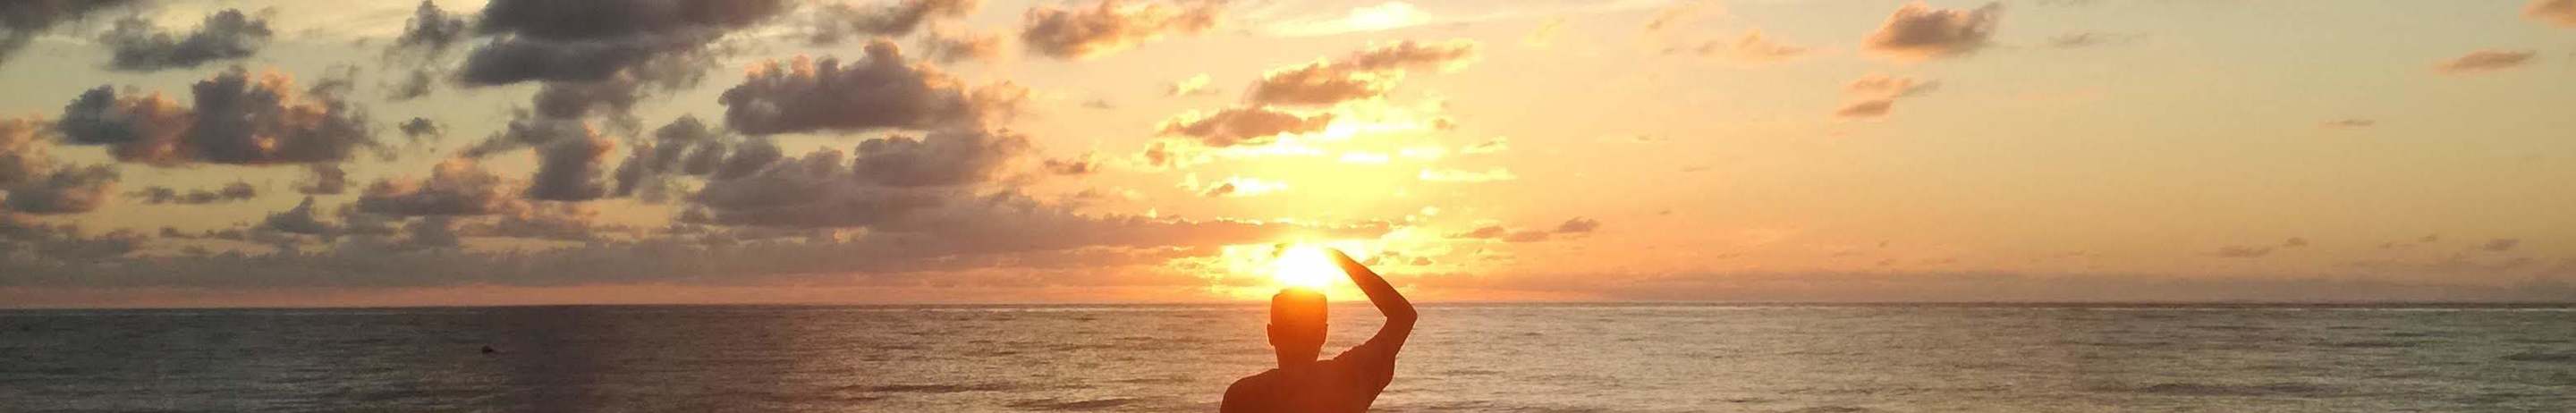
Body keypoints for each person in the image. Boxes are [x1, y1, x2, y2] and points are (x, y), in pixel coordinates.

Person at [1221, 249, 1416, 412]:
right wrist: (1338, 258)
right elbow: (1403, 316)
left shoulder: (1242, 396)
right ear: (1323, 334)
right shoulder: (1349, 378)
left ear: (1270, 334)